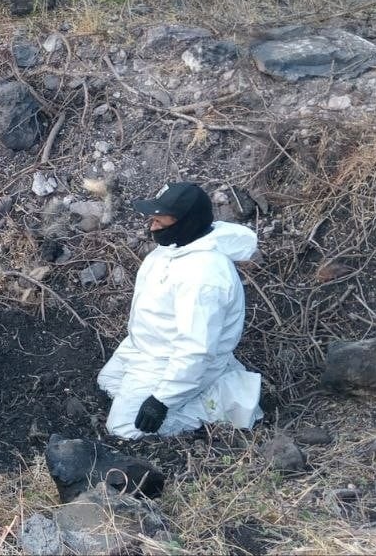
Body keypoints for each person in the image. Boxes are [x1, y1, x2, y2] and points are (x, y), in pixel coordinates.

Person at [98, 181, 264, 439]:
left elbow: (196, 349)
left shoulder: (204, 278)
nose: (152, 226)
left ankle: (219, 400)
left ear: (186, 223)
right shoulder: (177, 247)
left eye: (160, 221)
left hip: (175, 360)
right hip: (148, 348)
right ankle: (197, 387)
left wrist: (162, 400)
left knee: (124, 430)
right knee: (107, 383)